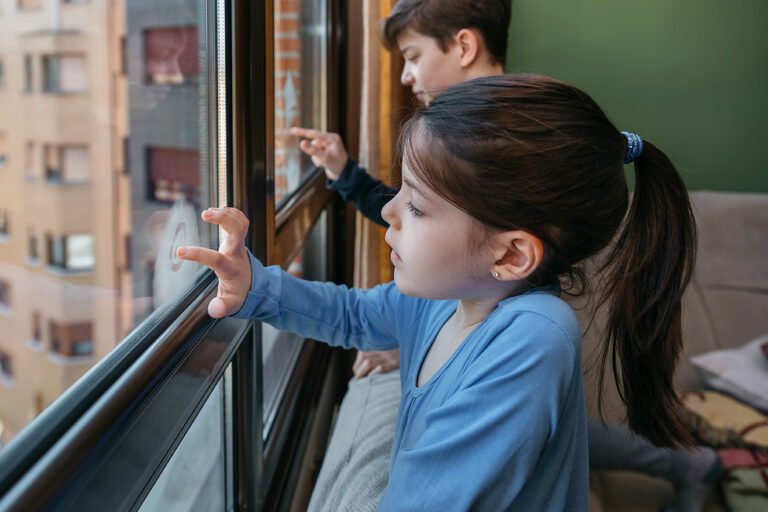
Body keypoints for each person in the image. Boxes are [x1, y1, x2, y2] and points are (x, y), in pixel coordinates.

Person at [178, 74, 699, 510]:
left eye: (418, 206)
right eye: (400, 189)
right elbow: (352, 315)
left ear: (510, 256)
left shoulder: (534, 336)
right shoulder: (441, 298)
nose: (387, 210)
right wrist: (257, 285)